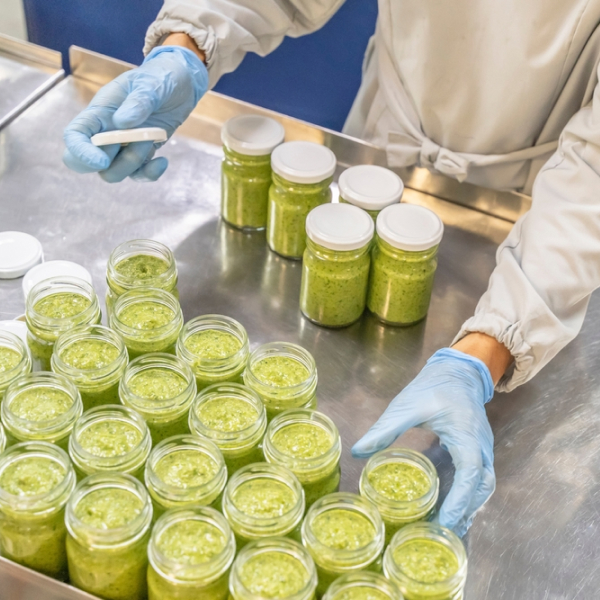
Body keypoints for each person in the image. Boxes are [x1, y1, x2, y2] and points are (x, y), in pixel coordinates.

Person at [63, 1, 600, 536]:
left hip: (534, 217)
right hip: (386, 143)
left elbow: (592, 173)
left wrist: (486, 351)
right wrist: (187, 44)